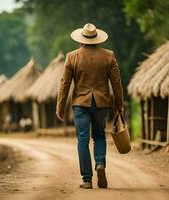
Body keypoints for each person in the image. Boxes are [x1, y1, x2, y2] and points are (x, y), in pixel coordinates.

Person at [56, 23, 124, 189]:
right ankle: (100, 164)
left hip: (80, 104)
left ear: (81, 40)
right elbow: (116, 83)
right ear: (97, 39)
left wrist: (60, 105)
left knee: (83, 139)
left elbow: (65, 83)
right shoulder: (109, 56)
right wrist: (119, 105)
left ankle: (87, 179)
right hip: (101, 104)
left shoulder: (72, 57)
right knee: (100, 135)